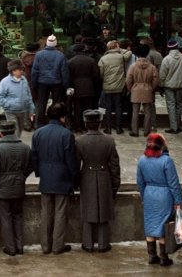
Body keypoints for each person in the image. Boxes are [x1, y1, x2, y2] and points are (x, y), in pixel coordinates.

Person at [30, 102, 77, 255]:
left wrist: (39, 173)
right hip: (62, 177)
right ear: (63, 117)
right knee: (60, 212)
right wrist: (73, 178)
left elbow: (34, 157)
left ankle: (45, 246)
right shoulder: (66, 134)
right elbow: (71, 160)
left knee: (46, 212)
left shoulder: (38, 133)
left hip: (45, 177)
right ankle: (57, 246)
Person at [75, 109, 121, 253]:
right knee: (104, 211)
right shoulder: (109, 140)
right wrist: (115, 184)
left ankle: (87, 243)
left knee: (87, 211)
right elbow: (114, 165)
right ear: (100, 123)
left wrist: (75, 182)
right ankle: (103, 243)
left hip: (87, 176)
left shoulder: (79, 141)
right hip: (104, 176)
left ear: (86, 123)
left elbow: (76, 164)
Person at [136, 133, 182, 266]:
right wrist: (178, 201)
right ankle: (164, 257)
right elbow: (174, 183)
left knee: (150, 224)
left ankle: (152, 255)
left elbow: (140, 182)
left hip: (149, 194)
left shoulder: (142, 160)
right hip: (164, 195)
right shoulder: (167, 161)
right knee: (164, 226)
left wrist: (143, 196)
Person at [0, 119, 33, 256]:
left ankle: (10, 247)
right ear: (14, 131)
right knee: (18, 216)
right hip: (18, 186)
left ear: (1, 133)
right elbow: (31, 166)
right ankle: (19, 247)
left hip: (2, 189)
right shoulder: (25, 147)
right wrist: (21, 177)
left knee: (6, 218)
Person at [31, 35, 70, 125]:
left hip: (42, 82)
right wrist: (66, 85)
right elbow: (64, 71)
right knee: (56, 104)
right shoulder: (60, 55)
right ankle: (55, 122)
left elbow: (35, 70)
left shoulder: (39, 54)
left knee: (41, 103)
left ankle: (39, 123)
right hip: (56, 82)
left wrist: (34, 84)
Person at [98, 41, 132, 134]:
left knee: (108, 107)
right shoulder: (121, 57)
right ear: (116, 47)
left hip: (107, 85)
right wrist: (119, 49)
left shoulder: (103, 58)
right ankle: (118, 128)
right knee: (118, 106)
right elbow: (129, 52)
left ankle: (108, 128)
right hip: (119, 86)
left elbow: (100, 73)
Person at [0, 60, 35, 138]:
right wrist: (11, 104)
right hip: (10, 112)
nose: (22, 71)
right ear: (13, 71)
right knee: (15, 131)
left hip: (23, 111)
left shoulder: (24, 80)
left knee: (20, 131)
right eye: (20, 70)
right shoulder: (5, 82)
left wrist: (31, 109)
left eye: (22, 69)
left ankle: (15, 143)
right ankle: (14, 146)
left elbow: (28, 95)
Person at [126, 49, 160, 137]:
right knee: (148, 112)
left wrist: (131, 89)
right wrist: (151, 88)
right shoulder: (152, 67)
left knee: (135, 111)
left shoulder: (133, 66)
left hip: (136, 89)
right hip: (147, 88)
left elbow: (128, 79)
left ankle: (135, 131)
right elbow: (155, 79)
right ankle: (146, 131)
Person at [159, 38, 182, 133]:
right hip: (181, 85)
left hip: (169, 86)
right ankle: (178, 125)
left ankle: (173, 126)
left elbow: (162, 74)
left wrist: (161, 85)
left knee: (171, 106)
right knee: (179, 105)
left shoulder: (166, 59)